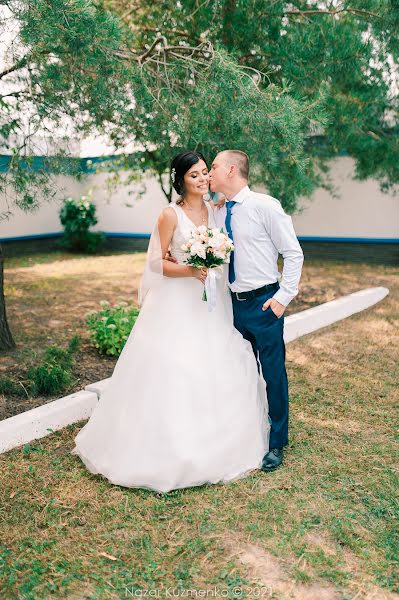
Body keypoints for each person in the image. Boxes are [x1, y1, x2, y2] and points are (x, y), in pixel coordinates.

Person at [71, 151, 270, 494]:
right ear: (181, 180)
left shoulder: (215, 210)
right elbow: (156, 264)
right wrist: (191, 270)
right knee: (176, 367)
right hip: (178, 302)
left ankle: (222, 439)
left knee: (222, 360)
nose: (203, 179)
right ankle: (163, 447)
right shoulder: (169, 214)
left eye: (206, 172)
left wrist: (212, 263)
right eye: (194, 175)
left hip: (212, 302)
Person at [208, 150, 304, 471]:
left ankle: (277, 442)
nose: (210, 172)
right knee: (241, 373)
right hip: (234, 307)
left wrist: (282, 298)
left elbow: (293, 253)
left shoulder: (265, 206)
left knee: (273, 375)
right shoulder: (220, 211)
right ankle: (247, 432)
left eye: (215, 167)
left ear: (232, 170)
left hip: (265, 305)